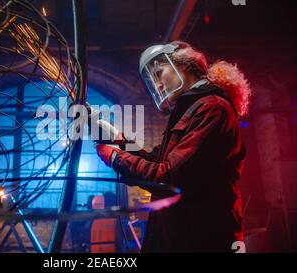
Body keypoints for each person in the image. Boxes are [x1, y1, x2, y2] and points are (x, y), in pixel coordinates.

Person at [94, 41, 252, 252]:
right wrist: (120, 140)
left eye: (159, 73)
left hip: (201, 240)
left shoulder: (212, 108)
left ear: (184, 64)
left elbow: (168, 177)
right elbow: (158, 160)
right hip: (182, 236)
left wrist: (116, 157)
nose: (157, 84)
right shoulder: (192, 109)